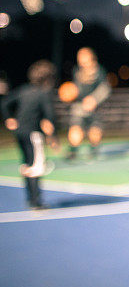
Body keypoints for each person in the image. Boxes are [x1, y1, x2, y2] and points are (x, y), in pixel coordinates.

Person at [1, 60, 60, 209]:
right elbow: (50, 117)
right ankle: (35, 201)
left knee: (27, 163)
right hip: (33, 134)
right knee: (36, 166)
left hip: (19, 132)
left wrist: (9, 118)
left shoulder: (24, 90)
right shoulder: (43, 94)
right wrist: (54, 138)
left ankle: (30, 198)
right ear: (48, 79)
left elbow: (4, 103)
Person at [67, 47, 110, 160]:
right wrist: (70, 93)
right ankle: (73, 151)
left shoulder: (99, 71)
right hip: (79, 107)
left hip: (95, 108)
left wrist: (94, 99)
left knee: (95, 132)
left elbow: (105, 88)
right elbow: (75, 88)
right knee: (75, 128)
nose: (80, 59)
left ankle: (94, 150)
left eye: (83, 56)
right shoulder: (76, 71)